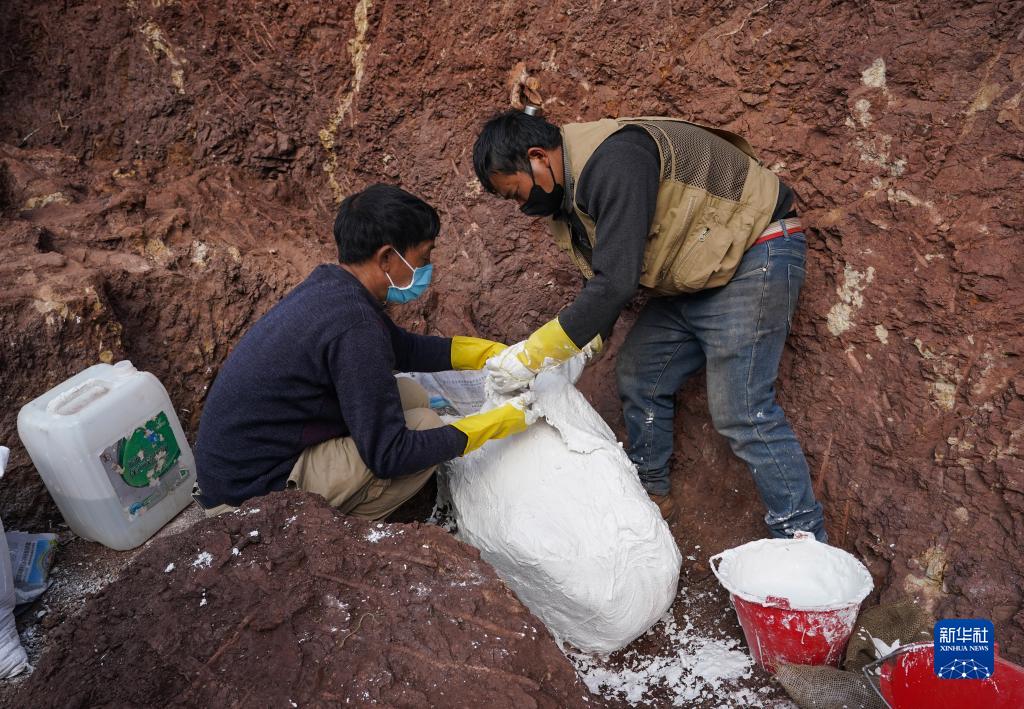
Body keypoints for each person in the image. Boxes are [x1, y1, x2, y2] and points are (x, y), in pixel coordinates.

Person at [473, 109, 826, 541]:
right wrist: (585, 344)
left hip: (755, 251)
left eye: (516, 192)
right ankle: (650, 494)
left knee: (742, 410)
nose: (522, 206)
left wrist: (534, 354)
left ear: (537, 157)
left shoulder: (613, 160)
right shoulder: (570, 195)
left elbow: (615, 283)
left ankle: (803, 540)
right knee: (640, 374)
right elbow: (603, 277)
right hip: (698, 269)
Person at [193, 184, 532, 518]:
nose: (427, 268)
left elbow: (403, 348)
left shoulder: (333, 286)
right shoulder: (354, 326)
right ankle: (336, 531)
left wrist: (483, 354)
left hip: (248, 457)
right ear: (387, 257)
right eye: (423, 257)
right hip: (248, 494)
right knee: (425, 426)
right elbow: (390, 454)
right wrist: (485, 427)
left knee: (412, 395)